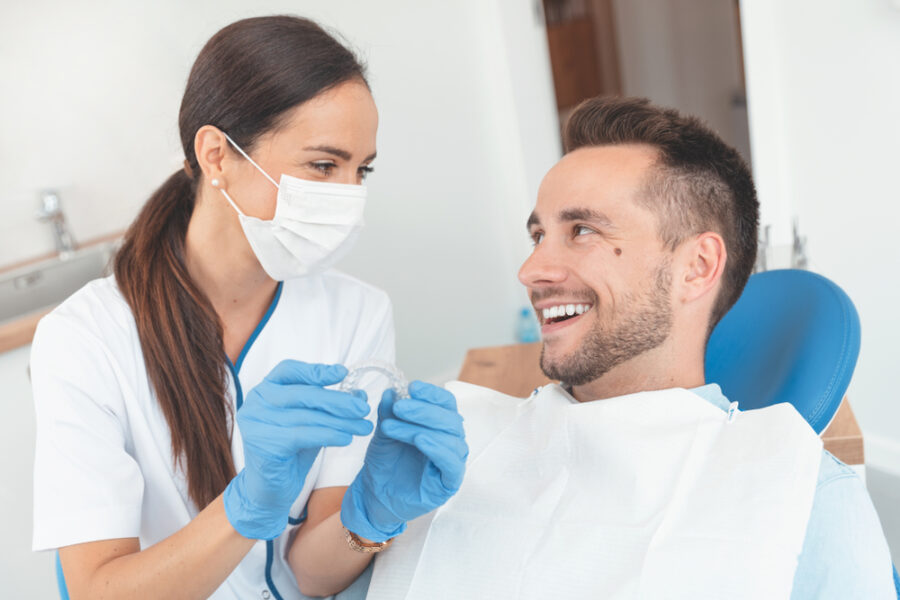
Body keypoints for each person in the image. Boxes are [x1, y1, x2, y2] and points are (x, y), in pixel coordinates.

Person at [364, 97, 895, 599]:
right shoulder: (454, 455)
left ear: (697, 267)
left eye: (582, 230)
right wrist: (355, 524)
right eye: (538, 235)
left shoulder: (802, 500)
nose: (532, 271)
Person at [30, 16, 466, 600]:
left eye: (361, 170)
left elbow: (311, 576)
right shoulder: (86, 339)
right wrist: (245, 506)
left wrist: (369, 518)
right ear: (216, 155)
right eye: (322, 165)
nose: (348, 197)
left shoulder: (357, 312)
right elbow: (97, 591)